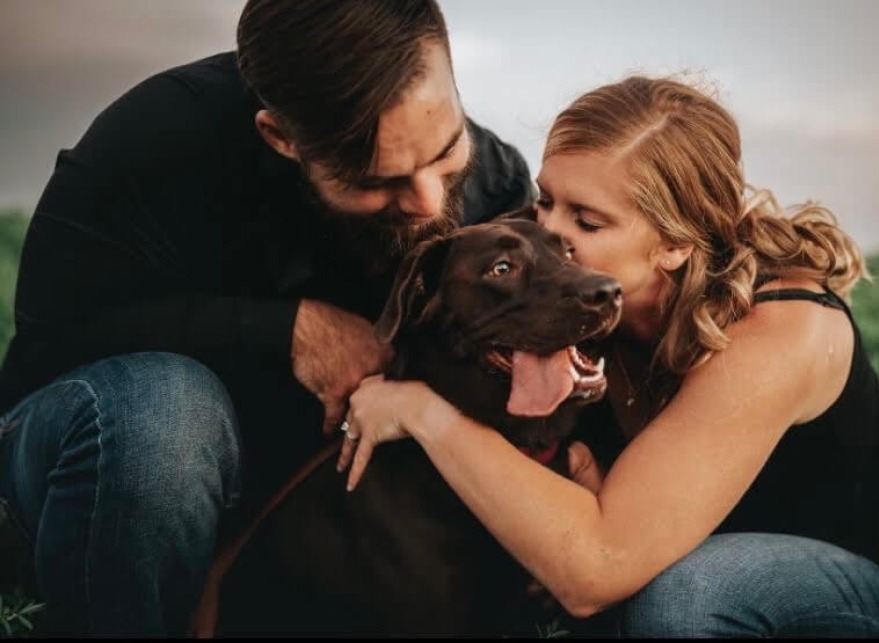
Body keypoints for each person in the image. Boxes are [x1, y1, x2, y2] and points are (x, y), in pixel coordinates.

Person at [340, 75, 879, 637]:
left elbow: (594, 570)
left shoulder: (782, 329)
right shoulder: (586, 287)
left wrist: (423, 413)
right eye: (547, 198)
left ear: (672, 244)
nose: (550, 233)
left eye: (587, 219)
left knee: (686, 595)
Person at [0, 0, 534, 636]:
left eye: (447, 149)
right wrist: (283, 330)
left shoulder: (497, 190)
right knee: (164, 415)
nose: (430, 200)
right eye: (377, 180)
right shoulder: (156, 141)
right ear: (280, 136)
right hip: (110, 470)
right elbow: (45, 356)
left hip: (323, 520)